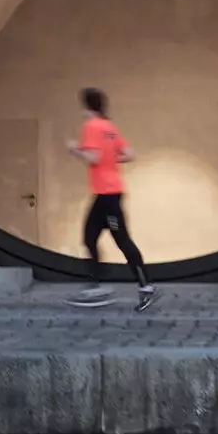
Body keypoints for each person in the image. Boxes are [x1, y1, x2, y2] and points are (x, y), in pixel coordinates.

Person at [67, 87, 156, 311]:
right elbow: (129, 154)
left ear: (86, 106)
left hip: (107, 195)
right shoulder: (109, 127)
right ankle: (97, 286)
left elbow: (93, 157)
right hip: (108, 192)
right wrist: (111, 160)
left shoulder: (91, 126)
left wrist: (75, 149)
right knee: (89, 237)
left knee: (122, 240)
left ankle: (146, 288)